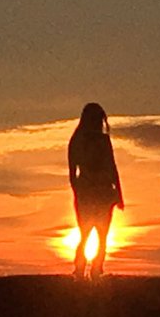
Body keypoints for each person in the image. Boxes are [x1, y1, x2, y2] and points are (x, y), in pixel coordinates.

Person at [68, 102, 124, 280]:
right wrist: (78, 192)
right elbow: (72, 171)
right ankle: (83, 268)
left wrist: (119, 193)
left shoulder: (100, 140)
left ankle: (95, 268)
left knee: (100, 234)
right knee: (88, 233)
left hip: (101, 192)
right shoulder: (79, 141)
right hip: (90, 191)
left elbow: (112, 166)